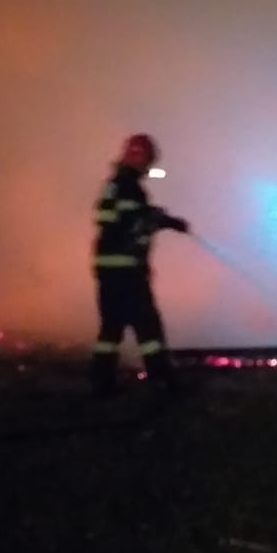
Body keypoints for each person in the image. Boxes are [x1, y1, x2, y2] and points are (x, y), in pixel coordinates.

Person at [90, 133, 191, 396]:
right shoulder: (128, 186)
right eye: (148, 161)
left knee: (111, 326)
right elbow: (135, 221)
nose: (149, 167)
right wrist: (166, 220)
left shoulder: (114, 184)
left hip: (107, 268)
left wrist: (157, 217)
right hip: (126, 269)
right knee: (147, 325)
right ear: (140, 157)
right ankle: (162, 379)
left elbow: (120, 219)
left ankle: (102, 382)